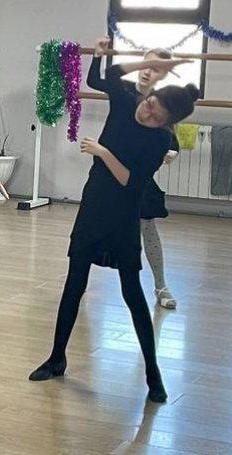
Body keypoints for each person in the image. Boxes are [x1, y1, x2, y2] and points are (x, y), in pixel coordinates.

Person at [29, 55, 201, 403]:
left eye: (157, 117)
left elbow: (131, 183)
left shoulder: (159, 141)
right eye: (150, 105)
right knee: (74, 283)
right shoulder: (126, 102)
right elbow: (109, 73)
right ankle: (57, 358)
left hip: (123, 214)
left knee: (132, 293)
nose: (148, 114)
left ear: (167, 124)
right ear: (149, 97)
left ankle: (153, 374)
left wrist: (102, 151)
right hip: (94, 204)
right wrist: (148, 62)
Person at [87, 36, 180, 308]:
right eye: (146, 64)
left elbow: (171, 138)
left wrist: (171, 152)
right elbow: (94, 81)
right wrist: (98, 55)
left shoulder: (160, 103)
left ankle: (161, 286)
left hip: (134, 176)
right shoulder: (123, 89)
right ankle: (80, 279)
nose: (148, 71)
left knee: (147, 228)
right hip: (107, 172)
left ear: (163, 75)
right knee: (92, 225)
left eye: (156, 68)